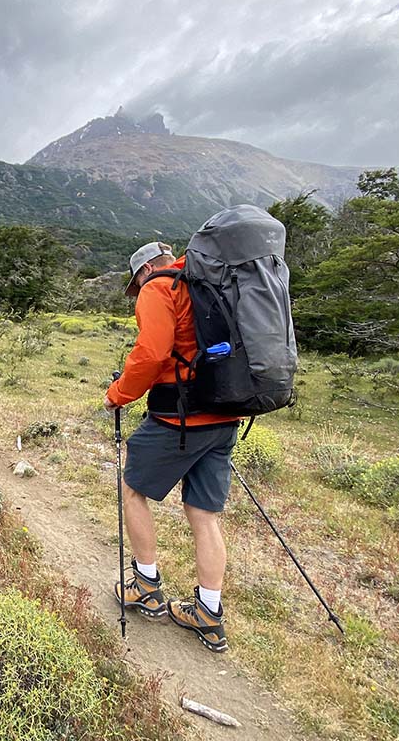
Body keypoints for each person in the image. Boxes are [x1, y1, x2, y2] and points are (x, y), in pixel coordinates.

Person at [104, 241, 241, 653]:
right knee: (204, 514)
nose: (137, 288)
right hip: (225, 414)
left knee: (133, 490)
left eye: (136, 281)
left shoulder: (158, 288)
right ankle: (208, 612)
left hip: (179, 418)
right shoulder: (210, 284)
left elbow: (151, 353)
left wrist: (118, 394)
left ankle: (146, 587)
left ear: (145, 269)